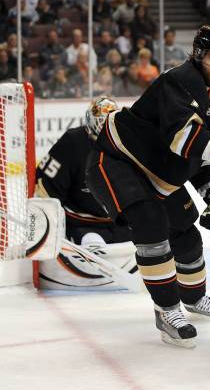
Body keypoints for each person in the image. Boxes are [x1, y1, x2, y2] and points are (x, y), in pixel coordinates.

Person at [85, 25, 210, 348]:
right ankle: (167, 310)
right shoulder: (181, 81)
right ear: (199, 56)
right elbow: (182, 139)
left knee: (186, 231)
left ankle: (194, 298)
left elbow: (199, 158)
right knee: (151, 222)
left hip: (157, 171)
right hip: (117, 161)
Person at [35, 97, 138, 290]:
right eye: (101, 123)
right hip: (84, 223)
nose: (105, 129)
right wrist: (52, 225)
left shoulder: (127, 142)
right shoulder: (73, 142)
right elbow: (47, 184)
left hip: (119, 221)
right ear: (90, 122)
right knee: (93, 244)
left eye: (110, 122)